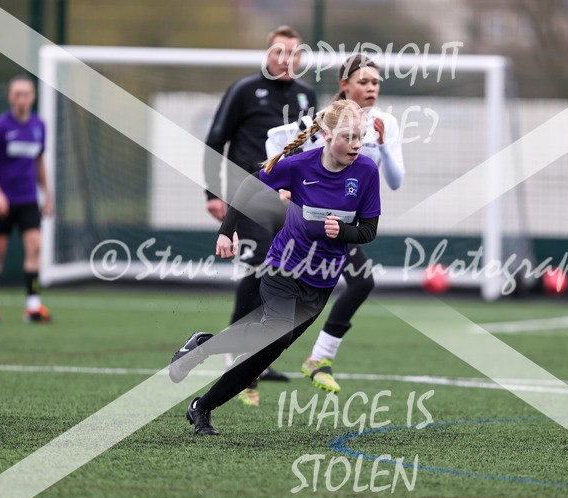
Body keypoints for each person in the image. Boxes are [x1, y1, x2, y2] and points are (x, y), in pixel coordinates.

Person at [171, 99, 380, 435]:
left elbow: (368, 230)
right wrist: (226, 230)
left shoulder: (367, 172)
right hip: (284, 266)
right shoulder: (298, 166)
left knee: (266, 352)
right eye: (348, 137)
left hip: (322, 282)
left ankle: (201, 405)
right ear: (327, 135)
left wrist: (344, 232)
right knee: (276, 331)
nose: (356, 145)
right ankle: (201, 348)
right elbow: (248, 185)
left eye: (360, 137)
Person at [266, 55, 405, 394]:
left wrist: (383, 147)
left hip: (345, 226)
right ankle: (251, 356)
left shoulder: (385, 123)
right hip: (309, 225)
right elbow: (276, 141)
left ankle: (316, 358)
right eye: (363, 82)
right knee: (275, 285)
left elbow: (396, 181)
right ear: (345, 85)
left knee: (358, 284)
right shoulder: (325, 121)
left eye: (375, 82)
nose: (371, 88)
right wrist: (283, 189)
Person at [203, 25, 317, 399]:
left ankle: (258, 354)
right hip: (248, 196)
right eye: (279, 52)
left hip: (287, 202)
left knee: (280, 271)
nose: (287, 59)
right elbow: (215, 140)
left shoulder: (305, 95)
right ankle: (235, 349)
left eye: (294, 53)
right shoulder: (244, 90)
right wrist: (212, 193)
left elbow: (309, 150)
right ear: (268, 55)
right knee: (258, 267)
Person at [0, 75, 53, 324]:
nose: (21, 99)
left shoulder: (39, 126)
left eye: (26, 94)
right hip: (1, 201)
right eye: (17, 94)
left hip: (28, 199)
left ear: (33, 97)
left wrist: (48, 196)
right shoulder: (0, 126)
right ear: (10, 97)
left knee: (35, 246)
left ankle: (33, 307)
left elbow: (39, 161)